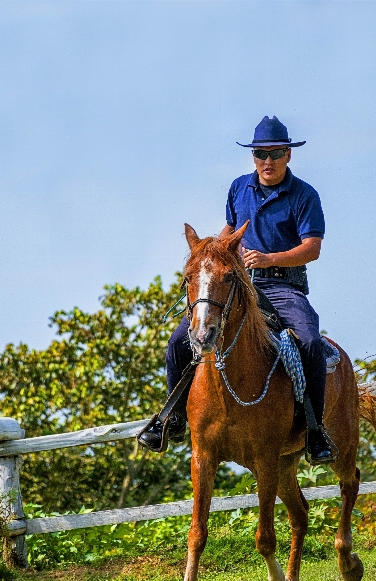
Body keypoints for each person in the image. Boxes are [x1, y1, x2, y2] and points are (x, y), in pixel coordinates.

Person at [138, 115, 335, 464]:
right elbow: (228, 230)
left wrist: (269, 257)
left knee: (307, 340)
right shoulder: (238, 187)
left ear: (288, 154)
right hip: (237, 285)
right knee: (178, 340)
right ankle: (172, 418)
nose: (267, 161)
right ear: (253, 157)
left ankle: (315, 431)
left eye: (275, 153)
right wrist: (212, 256)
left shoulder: (304, 195)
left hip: (282, 286)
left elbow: (312, 248)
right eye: (261, 154)